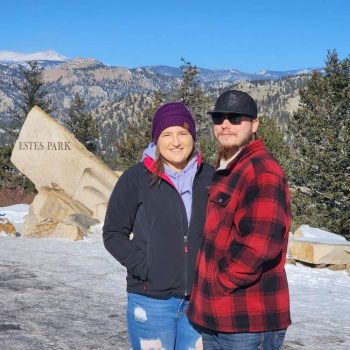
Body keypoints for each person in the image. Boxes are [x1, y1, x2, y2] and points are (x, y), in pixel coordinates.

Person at [103, 102, 214, 350]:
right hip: (150, 299)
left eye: (183, 133)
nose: (176, 142)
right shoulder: (136, 178)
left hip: (199, 300)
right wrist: (145, 266)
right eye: (167, 134)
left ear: (193, 137)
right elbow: (113, 232)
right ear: (156, 140)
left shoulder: (209, 177)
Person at [187, 90, 291, 350]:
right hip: (219, 317)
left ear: (254, 124)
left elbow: (260, 245)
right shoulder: (229, 168)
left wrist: (220, 283)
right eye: (219, 118)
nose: (225, 124)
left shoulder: (262, 171)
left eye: (235, 118)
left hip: (247, 320)